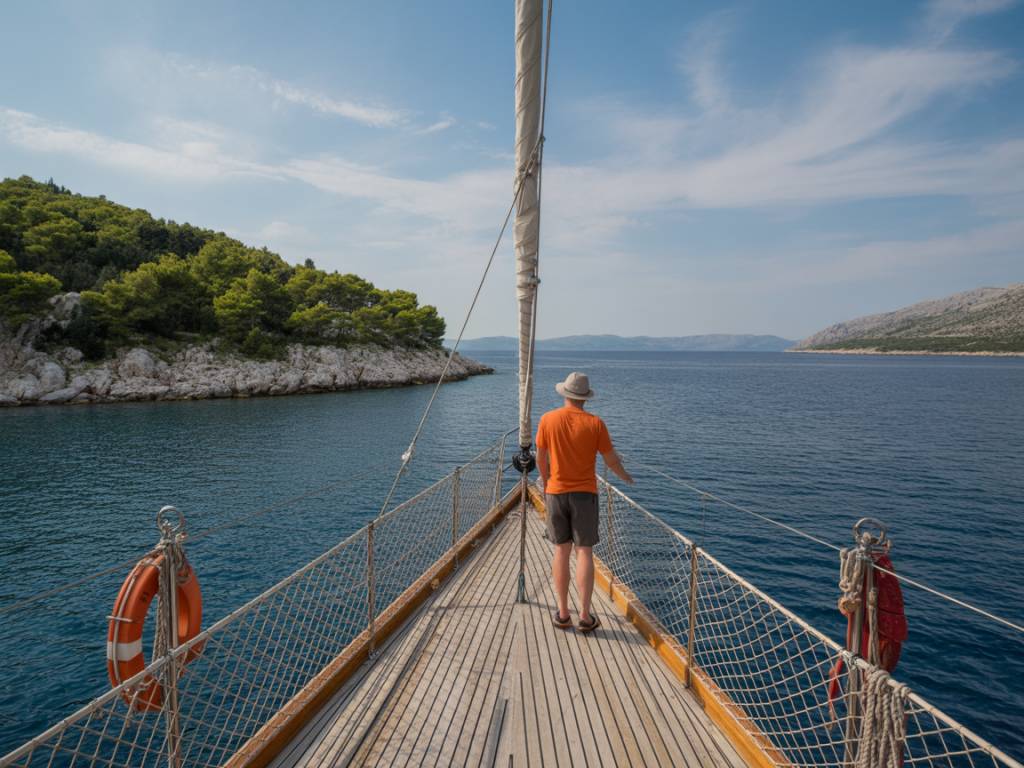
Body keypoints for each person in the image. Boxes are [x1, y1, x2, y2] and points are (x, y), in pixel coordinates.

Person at [536, 371, 633, 633]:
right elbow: (611, 460)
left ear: (565, 394)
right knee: (584, 553)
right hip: (585, 495)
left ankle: (563, 613)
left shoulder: (547, 419)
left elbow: (540, 458)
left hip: (555, 493)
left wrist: (546, 484)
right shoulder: (596, 424)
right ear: (585, 398)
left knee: (561, 551)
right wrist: (626, 478)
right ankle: (586, 616)